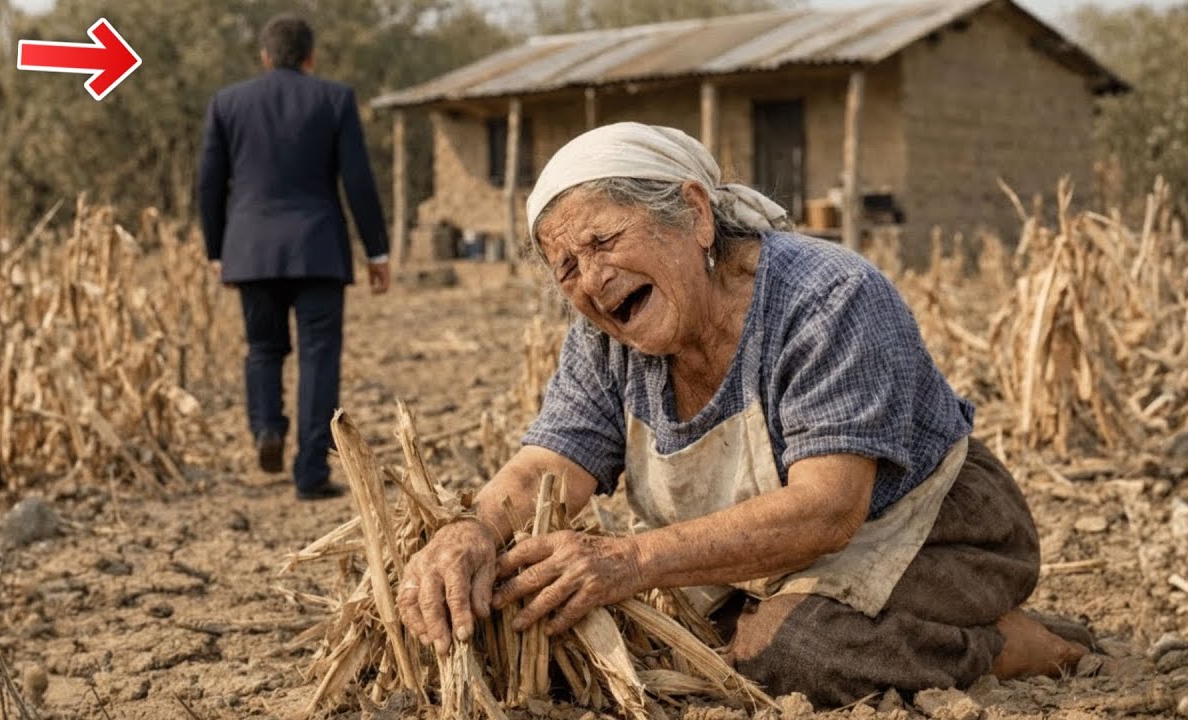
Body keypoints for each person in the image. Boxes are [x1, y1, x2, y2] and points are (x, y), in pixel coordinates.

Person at [395, 122, 1090, 706]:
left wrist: (631, 559)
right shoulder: (605, 340)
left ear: (695, 215)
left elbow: (828, 511)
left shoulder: (826, 299)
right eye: (567, 267)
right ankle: (861, 614)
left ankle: (1010, 643)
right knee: (679, 639)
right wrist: (474, 530)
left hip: (934, 528)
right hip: (776, 557)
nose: (592, 281)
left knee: (797, 651)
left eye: (604, 242)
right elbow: (553, 462)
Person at [198, 14, 390, 500]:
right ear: (310, 57)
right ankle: (310, 474)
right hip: (318, 249)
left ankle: (266, 427)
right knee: (318, 360)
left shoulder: (227, 103)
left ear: (265, 56)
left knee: (263, 349)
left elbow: (209, 183)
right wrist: (377, 250)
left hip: (251, 251)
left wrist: (217, 250)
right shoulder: (334, 99)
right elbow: (358, 180)